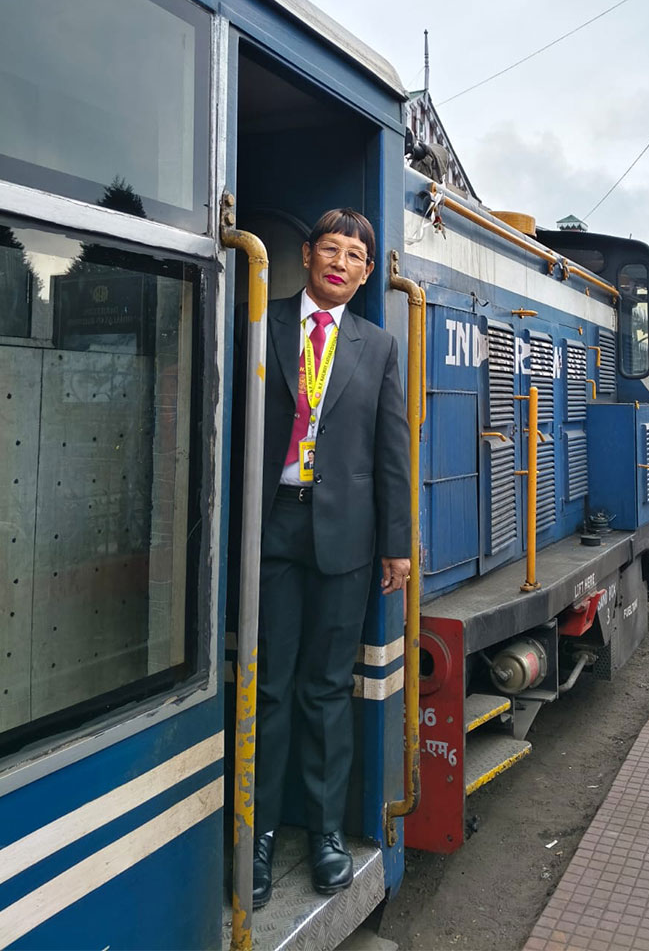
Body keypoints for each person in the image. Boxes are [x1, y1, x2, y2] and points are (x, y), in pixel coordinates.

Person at [249, 208, 410, 908]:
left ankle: (323, 833)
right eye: (331, 250)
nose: (341, 263)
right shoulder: (262, 320)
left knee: (325, 689)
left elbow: (391, 451)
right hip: (272, 531)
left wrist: (397, 545)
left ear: (367, 273)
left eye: (356, 256)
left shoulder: (377, 346)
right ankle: (255, 835)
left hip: (347, 540)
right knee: (271, 686)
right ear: (309, 255)